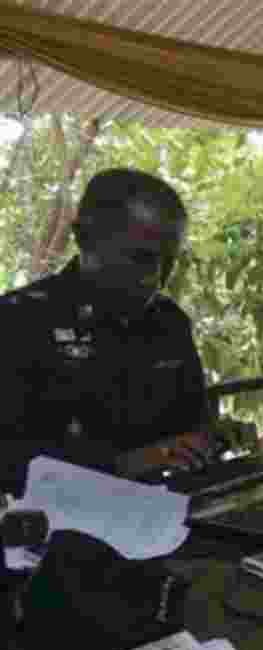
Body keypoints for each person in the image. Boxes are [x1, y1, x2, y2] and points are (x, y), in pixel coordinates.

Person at [0, 168, 213, 498]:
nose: (155, 278)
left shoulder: (169, 323)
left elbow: (190, 424)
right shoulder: (18, 321)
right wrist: (127, 463)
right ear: (84, 238)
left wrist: (212, 440)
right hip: (53, 535)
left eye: (168, 260)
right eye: (140, 258)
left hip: (164, 521)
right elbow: (9, 463)